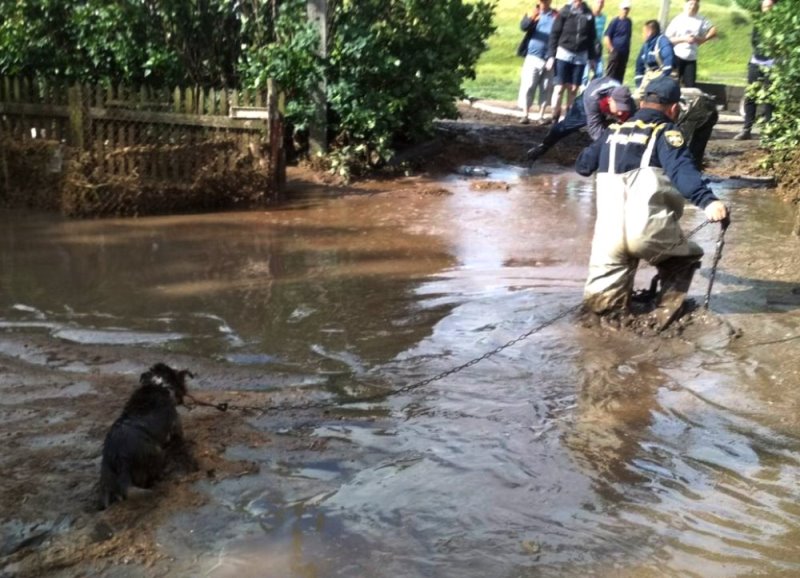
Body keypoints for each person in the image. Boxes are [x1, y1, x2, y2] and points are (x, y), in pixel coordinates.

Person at [575, 76, 729, 330]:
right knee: (685, 257)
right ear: (674, 109)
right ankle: (663, 320)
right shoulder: (667, 132)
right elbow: (682, 170)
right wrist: (708, 201)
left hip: (608, 237)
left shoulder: (612, 132)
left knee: (600, 313)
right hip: (648, 229)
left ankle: (599, 353)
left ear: (642, 102)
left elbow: (583, 166)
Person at [527, 76, 634, 162]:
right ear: (610, 100)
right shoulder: (593, 98)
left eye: (623, 108)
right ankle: (544, 146)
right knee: (565, 127)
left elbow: (634, 125)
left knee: (622, 124)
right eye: (619, 108)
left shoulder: (627, 101)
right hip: (584, 103)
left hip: (606, 101)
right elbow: (595, 131)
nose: (620, 112)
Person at [546, 0, 598, 123]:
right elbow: (554, 34)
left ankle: (568, 119)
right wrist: (551, 56)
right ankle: (555, 117)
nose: (578, 2)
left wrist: (592, 57)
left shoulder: (588, 14)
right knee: (559, 87)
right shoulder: (565, 12)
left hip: (580, 55)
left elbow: (591, 37)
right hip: (564, 52)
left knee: (573, 89)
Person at [734, 0, 777, 141]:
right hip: (756, 62)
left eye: (769, 7)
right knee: (751, 95)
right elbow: (754, 41)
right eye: (764, 7)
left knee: (769, 98)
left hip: (772, 64)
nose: (767, 10)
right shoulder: (758, 24)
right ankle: (746, 129)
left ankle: (768, 131)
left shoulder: (779, 25)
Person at [517, 0, 559, 124]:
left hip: (549, 58)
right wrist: (533, 16)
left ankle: (541, 115)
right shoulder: (533, 12)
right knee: (528, 85)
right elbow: (523, 26)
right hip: (532, 56)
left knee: (546, 87)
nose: (544, 3)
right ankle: (525, 114)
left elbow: (559, 35)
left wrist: (553, 56)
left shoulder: (556, 15)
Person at [665, 0, 717, 88]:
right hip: (677, 56)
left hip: (691, 58)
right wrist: (684, 39)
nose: (693, 7)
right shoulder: (678, 19)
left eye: (695, 5)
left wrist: (702, 39)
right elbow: (667, 39)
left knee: (690, 86)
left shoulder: (701, 19)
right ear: (686, 5)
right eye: (691, 4)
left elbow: (713, 30)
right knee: (672, 84)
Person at [633, 20, 674, 99]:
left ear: (650, 32)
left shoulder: (663, 41)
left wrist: (662, 78)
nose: (643, 35)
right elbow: (639, 64)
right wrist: (639, 82)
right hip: (650, 73)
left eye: (644, 32)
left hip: (663, 73)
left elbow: (669, 59)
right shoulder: (646, 45)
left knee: (656, 97)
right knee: (637, 97)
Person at [603, 0, 633, 82]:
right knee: (611, 75)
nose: (625, 11)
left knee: (620, 75)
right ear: (620, 9)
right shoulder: (615, 22)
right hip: (615, 52)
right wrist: (612, 50)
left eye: (627, 9)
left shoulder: (629, 22)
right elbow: (607, 37)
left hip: (624, 53)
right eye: (624, 9)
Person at [582, 0, 607, 86]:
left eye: (602, 2)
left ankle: (593, 89)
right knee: (585, 76)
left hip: (597, 49)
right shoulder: (588, 17)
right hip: (587, 48)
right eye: (598, 2)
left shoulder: (603, 18)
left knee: (600, 73)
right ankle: (583, 93)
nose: (599, 4)